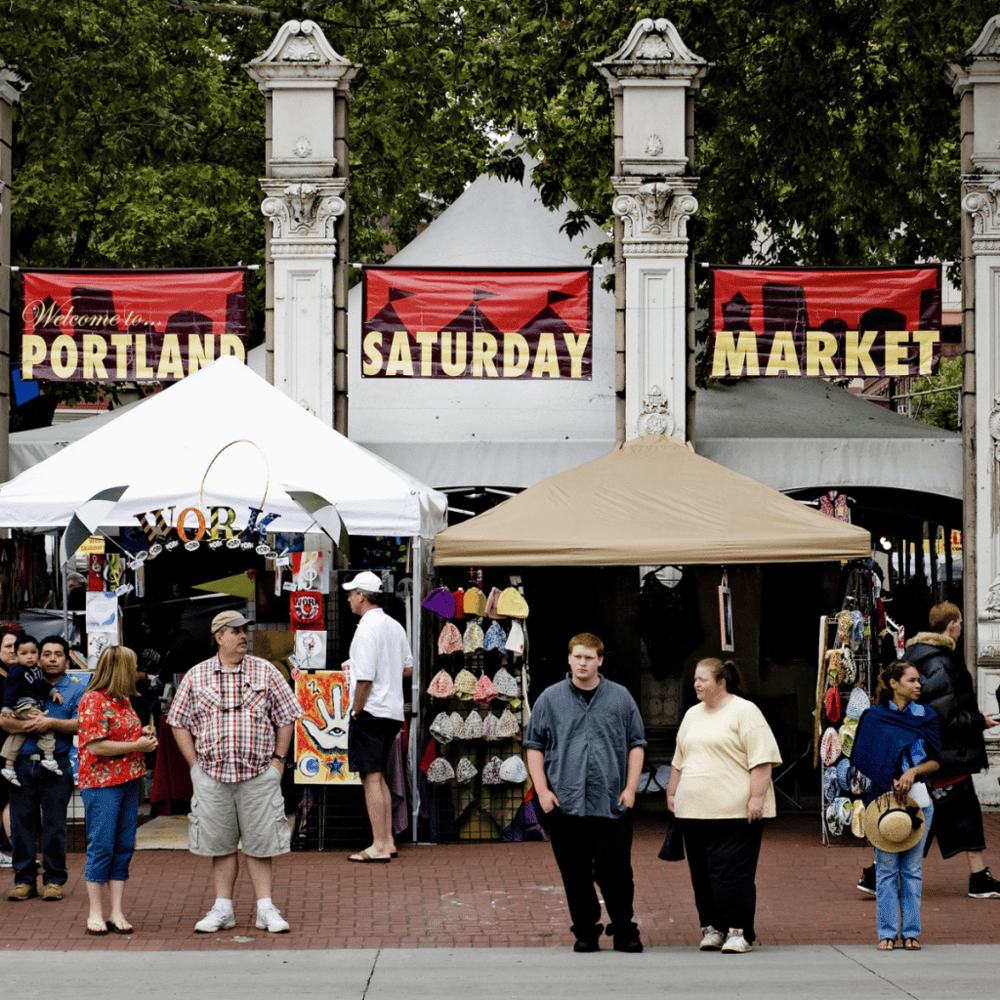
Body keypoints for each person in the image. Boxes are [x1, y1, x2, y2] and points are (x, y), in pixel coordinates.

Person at [166, 610, 302, 934]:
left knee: (261, 843)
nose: (243, 636)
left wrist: (279, 761)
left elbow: (286, 716)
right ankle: (223, 908)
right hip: (212, 776)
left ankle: (265, 909)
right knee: (220, 844)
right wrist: (194, 766)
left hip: (259, 774)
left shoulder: (266, 671)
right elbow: (178, 722)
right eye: (235, 631)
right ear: (218, 637)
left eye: (244, 631)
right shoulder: (196, 676)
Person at [857, 602, 1000, 897]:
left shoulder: (915, 655)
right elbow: (944, 712)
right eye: (959, 621)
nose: (960, 626)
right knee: (954, 814)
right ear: (952, 625)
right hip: (946, 754)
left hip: (927, 753)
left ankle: (877, 873)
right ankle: (978, 878)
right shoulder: (942, 660)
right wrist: (978, 721)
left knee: (928, 813)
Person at [524, 633, 647, 954]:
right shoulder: (550, 700)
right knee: (575, 873)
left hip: (612, 802)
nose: (582, 663)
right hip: (565, 803)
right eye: (577, 657)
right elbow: (534, 746)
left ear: (600, 661)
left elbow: (636, 744)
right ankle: (585, 931)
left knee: (617, 871)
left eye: (589, 658)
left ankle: (624, 930)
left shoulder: (621, 698)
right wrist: (542, 791)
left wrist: (631, 789)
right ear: (568, 659)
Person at [666, 658, 782, 954]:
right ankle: (712, 928)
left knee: (731, 873)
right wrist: (672, 792)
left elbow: (762, 759)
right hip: (693, 811)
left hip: (734, 812)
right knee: (701, 874)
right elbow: (679, 760)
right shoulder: (692, 714)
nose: (696, 684)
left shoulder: (745, 711)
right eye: (695, 679)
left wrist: (756, 798)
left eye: (703, 679)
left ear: (722, 682)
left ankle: (738, 932)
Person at [853, 661, 941, 950]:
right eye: (912, 680)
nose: (919, 685)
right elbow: (863, 758)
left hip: (920, 802)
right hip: (884, 802)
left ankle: (912, 932)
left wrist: (912, 772)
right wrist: (889, 777)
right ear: (894, 683)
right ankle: (887, 933)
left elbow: (936, 760)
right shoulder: (874, 717)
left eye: (919, 681)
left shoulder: (926, 715)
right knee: (887, 869)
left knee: (912, 870)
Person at [78, 645, 158, 935]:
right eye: (133, 666)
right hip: (101, 784)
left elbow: (118, 735)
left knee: (123, 846)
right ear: (122, 669)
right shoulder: (92, 699)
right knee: (101, 845)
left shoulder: (123, 699)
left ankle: (116, 911)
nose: (138, 672)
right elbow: (96, 745)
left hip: (127, 781)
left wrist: (141, 734)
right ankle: (95, 912)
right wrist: (137, 745)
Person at [0, 635, 84, 901]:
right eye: (46, 654)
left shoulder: (75, 688)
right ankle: (24, 880)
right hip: (23, 765)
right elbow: (4, 722)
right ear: (37, 656)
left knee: (54, 826)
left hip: (55, 765)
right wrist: (28, 726)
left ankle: (54, 880)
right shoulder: (20, 680)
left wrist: (50, 725)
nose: (51, 659)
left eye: (57, 654)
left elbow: (81, 723)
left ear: (66, 659)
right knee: (21, 825)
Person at [342, 570, 412, 863]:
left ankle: (380, 845)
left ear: (361, 596)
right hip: (393, 711)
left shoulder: (366, 628)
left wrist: (356, 710)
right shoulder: (394, 626)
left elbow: (365, 678)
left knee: (370, 777)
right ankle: (388, 841)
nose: (348, 598)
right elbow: (407, 668)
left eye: (351, 593)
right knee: (379, 776)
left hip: (371, 710)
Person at [2, 635, 65, 784]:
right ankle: (49, 757)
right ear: (17, 655)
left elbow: (41, 685)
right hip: (24, 706)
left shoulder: (36, 670)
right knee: (44, 725)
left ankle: (8, 765)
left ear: (38, 653)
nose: (29, 657)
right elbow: (9, 691)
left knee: (18, 735)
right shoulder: (16, 672)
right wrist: (6, 707)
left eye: (33, 652)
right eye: (24, 654)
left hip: (31, 705)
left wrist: (53, 692)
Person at [0, 625, 21, 869]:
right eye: (7, 646)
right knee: (7, 798)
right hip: (4, 748)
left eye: (17, 647)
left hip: (9, 749)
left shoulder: (13, 675)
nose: (13, 651)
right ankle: (16, 852)